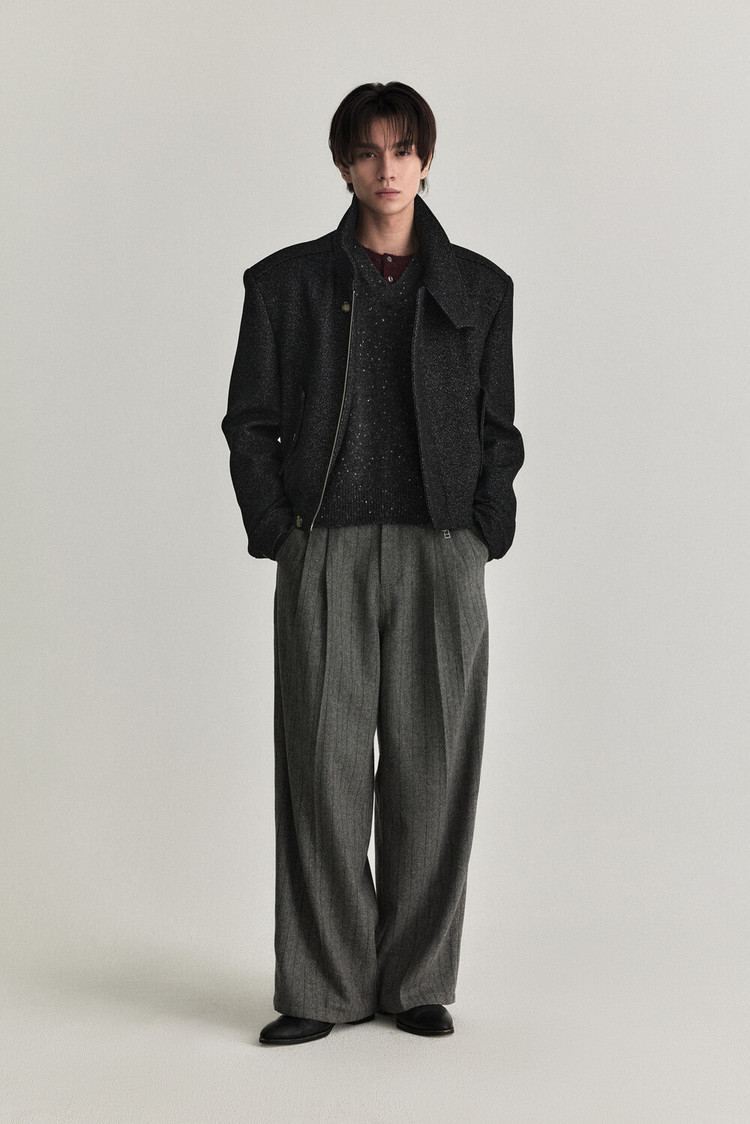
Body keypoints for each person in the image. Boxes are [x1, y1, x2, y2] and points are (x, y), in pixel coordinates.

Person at [221, 81, 524, 1046]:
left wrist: (484, 530)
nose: (386, 168)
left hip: (442, 551)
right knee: (323, 774)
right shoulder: (285, 285)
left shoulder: (480, 288)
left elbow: (498, 429)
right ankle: (321, 988)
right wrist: (281, 531)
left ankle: (417, 980)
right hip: (325, 549)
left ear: (426, 160)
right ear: (343, 163)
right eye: (367, 151)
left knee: (433, 774)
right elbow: (249, 423)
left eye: (402, 149)